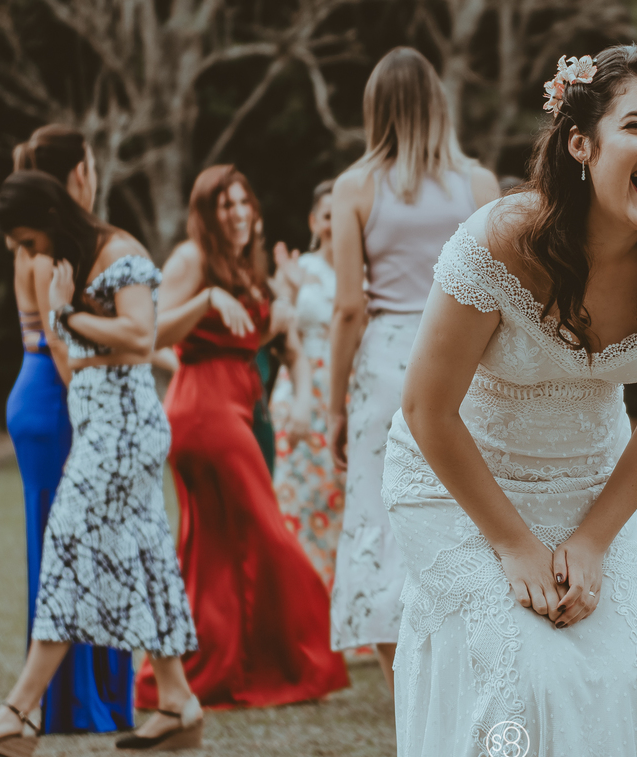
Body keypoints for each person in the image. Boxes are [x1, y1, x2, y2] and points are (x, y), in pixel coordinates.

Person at [385, 45, 637, 757]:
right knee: (525, 679)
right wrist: (512, 543)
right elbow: (426, 408)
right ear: (581, 143)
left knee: (610, 683)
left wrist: (592, 538)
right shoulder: (501, 241)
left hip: (588, 489)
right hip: (457, 483)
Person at [0, 171, 201, 757]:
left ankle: (19, 710)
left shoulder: (120, 251)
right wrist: (68, 315)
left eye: (29, 242)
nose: (30, 256)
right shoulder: (74, 262)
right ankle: (177, 702)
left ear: (52, 217)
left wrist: (66, 316)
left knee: (63, 544)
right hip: (104, 428)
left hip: (123, 432)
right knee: (148, 555)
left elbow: (140, 336)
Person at [136, 165, 349, 710]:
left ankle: (219, 668)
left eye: (243, 204)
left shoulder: (250, 268)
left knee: (214, 552)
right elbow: (148, 333)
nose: (237, 214)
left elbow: (287, 345)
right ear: (207, 213)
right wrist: (205, 302)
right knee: (269, 533)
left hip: (237, 407)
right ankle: (304, 659)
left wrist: (300, 388)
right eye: (224, 205)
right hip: (204, 414)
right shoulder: (192, 259)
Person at [327, 46, 500, 690]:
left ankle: (410, 698)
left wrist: (332, 404)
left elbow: (348, 307)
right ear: (438, 104)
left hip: (386, 368)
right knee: (463, 515)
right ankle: (465, 677)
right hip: (465, 366)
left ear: (376, 111)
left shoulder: (354, 188)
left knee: (380, 520)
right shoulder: (479, 185)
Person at [3, 125, 135, 735]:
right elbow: (60, 348)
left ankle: (91, 693)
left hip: (51, 395)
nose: (96, 173)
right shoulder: (46, 251)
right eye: (90, 163)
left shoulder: (67, 243)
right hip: (55, 402)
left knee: (86, 541)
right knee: (67, 544)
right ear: (78, 174)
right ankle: (70, 700)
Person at [270, 180, 344, 587]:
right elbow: (275, 336)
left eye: (341, 215)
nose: (334, 224)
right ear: (315, 221)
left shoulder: (364, 273)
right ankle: (298, 604)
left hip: (347, 396)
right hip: (302, 395)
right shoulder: (300, 270)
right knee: (297, 501)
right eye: (327, 216)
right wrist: (288, 290)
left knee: (342, 504)